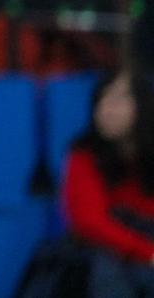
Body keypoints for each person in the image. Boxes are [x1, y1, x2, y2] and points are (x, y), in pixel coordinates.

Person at [63, 72, 154, 297]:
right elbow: (90, 222)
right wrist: (148, 253)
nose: (106, 109)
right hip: (110, 251)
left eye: (118, 99)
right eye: (101, 100)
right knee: (106, 261)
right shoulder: (84, 154)